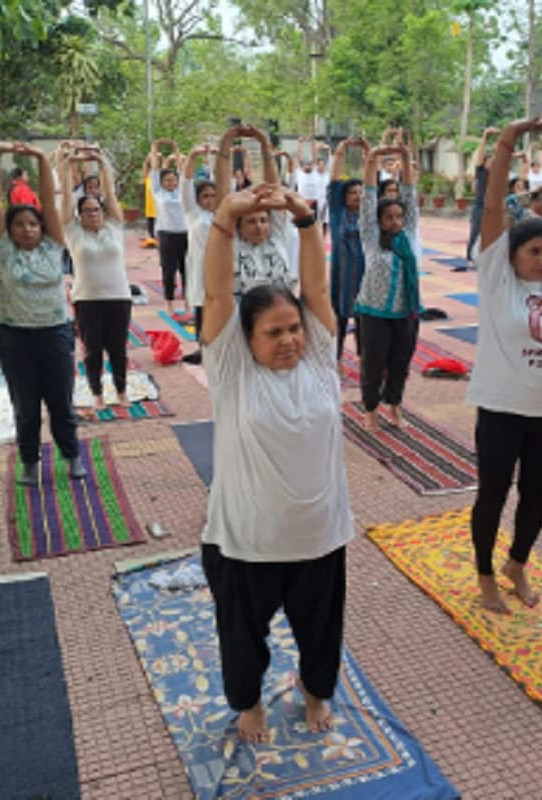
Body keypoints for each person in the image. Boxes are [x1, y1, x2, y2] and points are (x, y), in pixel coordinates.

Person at [199, 182, 352, 743]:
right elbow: (218, 296)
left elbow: (314, 286)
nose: (288, 339)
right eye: (274, 332)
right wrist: (224, 219)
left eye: (293, 328)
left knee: (321, 630)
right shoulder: (232, 371)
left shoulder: (319, 360)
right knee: (243, 637)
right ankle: (249, 704)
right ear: (247, 338)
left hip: (319, 536)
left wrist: (307, 220)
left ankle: (315, 692)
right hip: (246, 541)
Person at [469, 116, 542, 613]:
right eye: (535, 251)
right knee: (493, 495)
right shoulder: (497, 277)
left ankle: (518, 562)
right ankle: (485, 574)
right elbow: (493, 205)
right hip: (501, 407)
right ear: (511, 255)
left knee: (536, 496)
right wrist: (509, 141)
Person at [0, 142, 85, 484]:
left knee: (61, 402)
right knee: (25, 406)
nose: (27, 229)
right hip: (15, 337)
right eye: (20, 225)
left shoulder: (52, 245)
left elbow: (51, 203)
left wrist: (42, 159)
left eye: (33, 224)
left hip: (54, 332)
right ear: (9, 231)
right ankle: (29, 460)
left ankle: (71, 455)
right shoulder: (1, 252)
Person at [355, 144, 421, 432]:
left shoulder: (407, 236)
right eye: (388, 218)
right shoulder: (371, 239)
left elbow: (409, 194)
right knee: (373, 364)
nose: (395, 222)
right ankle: (370, 410)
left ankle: (394, 406)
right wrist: (372, 161)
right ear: (379, 222)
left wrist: (405, 158)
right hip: (374, 312)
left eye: (399, 217)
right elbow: (369, 200)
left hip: (406, 312)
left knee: (400, 364)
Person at [60, 147, 131, 411]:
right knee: (92, 350)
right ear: (80, 215)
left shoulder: (113, 227)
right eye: (88, 211)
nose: (94, 214)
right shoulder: (73, 232)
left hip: (119, 296)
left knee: (118, 349)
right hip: (88, 299)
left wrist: (102, 162)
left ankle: (121, 390)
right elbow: (66, 200)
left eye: (97, 210)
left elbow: (110, 195)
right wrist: (67, 167)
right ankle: (97, 392)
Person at [215, 125, 295, 296]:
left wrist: (265, 144)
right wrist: (226, 143)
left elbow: (274, 187)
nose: (259, 227)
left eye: (263, 220)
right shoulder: (232, 242)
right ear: (238, 226)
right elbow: (222, 194)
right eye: (251, 222)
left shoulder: (276, 236)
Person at [327, 137, 369, 359]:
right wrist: (341, 150)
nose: (358, 196)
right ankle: (337, 359)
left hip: (366, 273)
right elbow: (334, 182)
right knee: (339, 318)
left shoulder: (370, 215)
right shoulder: (337, 213)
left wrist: (369, 153)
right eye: (352, 192)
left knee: (364, 320)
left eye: (361, 192)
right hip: (342, 274)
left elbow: (373, 182)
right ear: (344, 197)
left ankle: (364, 359)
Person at [180, 143, 218, 365]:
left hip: (221, 269)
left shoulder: (222, 215)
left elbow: (227, 184)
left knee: (220, 308)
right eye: (205, 196)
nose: (210, 199)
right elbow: (185, 184)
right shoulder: (193, 214)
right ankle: (203, 349)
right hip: (199, 268)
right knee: (202, 309)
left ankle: (216, 349)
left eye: (214, 195)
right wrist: (193, 156)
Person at [148, 138, 190, 316]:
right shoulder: (158, 192)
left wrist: (176, 148)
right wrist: (155, 147)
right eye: (167, 180)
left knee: (187, 270)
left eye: (173, 180)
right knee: (169, 270)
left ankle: (188, 302)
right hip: (166, 235)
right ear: (162, 182)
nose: (171, 183)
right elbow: (156, 170)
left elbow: (183, 170)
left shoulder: (182, 192)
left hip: (185, 234)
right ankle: (169, 302)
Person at [466, 127, 500, 268]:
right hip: (480, 206)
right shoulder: (481, 172)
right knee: (475, 231)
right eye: (490, 161)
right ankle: (470, 257)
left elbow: (501, 155)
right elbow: (480, 154)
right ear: (485, 163)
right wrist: (485, 135)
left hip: (492, 208)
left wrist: (501, 139)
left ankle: (488, 258)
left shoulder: (497, 176)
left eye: (494, 162)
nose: (492, 163)